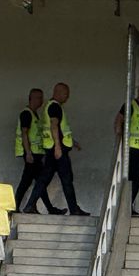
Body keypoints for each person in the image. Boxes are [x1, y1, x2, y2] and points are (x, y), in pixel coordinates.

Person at [24, 83, 88, 216]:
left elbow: (59, 130)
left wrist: (72, 142)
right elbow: (54, 126)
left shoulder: (50, 106)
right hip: (57, 151)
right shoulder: (55, 107)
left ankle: (30, 205)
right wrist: (58, 147)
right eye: (66, 93)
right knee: (66, 179)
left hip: (52, 149)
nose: (67, 97)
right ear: (58, 92)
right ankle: (74, 209)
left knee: (44, 179)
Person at [14, 89, 63, 214]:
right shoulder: (26, 114)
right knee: (29, 182)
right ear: (31, 98)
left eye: (41, 98)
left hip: (37, 154)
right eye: (37, 98)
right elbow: (24, 134)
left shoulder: (36, 115)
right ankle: (18, 207)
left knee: (39, 182)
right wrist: (28, 153)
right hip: (31, 154)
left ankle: (35, 206)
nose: (40, 101)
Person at [116, 83, 139, 216]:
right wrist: (120, 139)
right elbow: (119, 120)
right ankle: (126, 206)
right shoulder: (130, 105)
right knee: (135, 175)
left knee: (136, 176)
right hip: (129, 147)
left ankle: (127, 205)